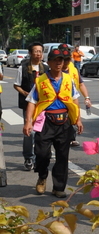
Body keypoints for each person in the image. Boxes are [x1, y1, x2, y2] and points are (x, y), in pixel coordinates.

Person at [23, 46, 83, 198]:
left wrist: (78, 119)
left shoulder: (69, 79)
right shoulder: (40, 80)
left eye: (61, 60)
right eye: (55, 60)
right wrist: (28, 122)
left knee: (63, 156)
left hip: (64, 122)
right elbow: (31, 101)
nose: (58, 63)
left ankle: (58, 187)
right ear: (48, 62)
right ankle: (42, 176)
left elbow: (75, 99)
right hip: (46, 121)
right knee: (41, 154)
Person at [14, 42, 47, 171]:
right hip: (28, 104)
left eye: (40, 51)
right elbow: (16, 85)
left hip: (43, 105)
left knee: (42, 132)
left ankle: (41, 157)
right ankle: (28, 157)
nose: (38, 54)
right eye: (36, 51)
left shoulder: (46, 68)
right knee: (30, 131)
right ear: (30, 53)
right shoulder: (22, 68)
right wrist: (25, 93)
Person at [60, 44, 91, 147]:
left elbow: (81, 83)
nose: (66, 61)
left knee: (73, 118)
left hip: (73, 100)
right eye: (64, 59)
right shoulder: (55, 70)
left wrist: (86, 97)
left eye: (68, 59)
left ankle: (71, 138)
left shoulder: (73, 69)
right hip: (59, 103)